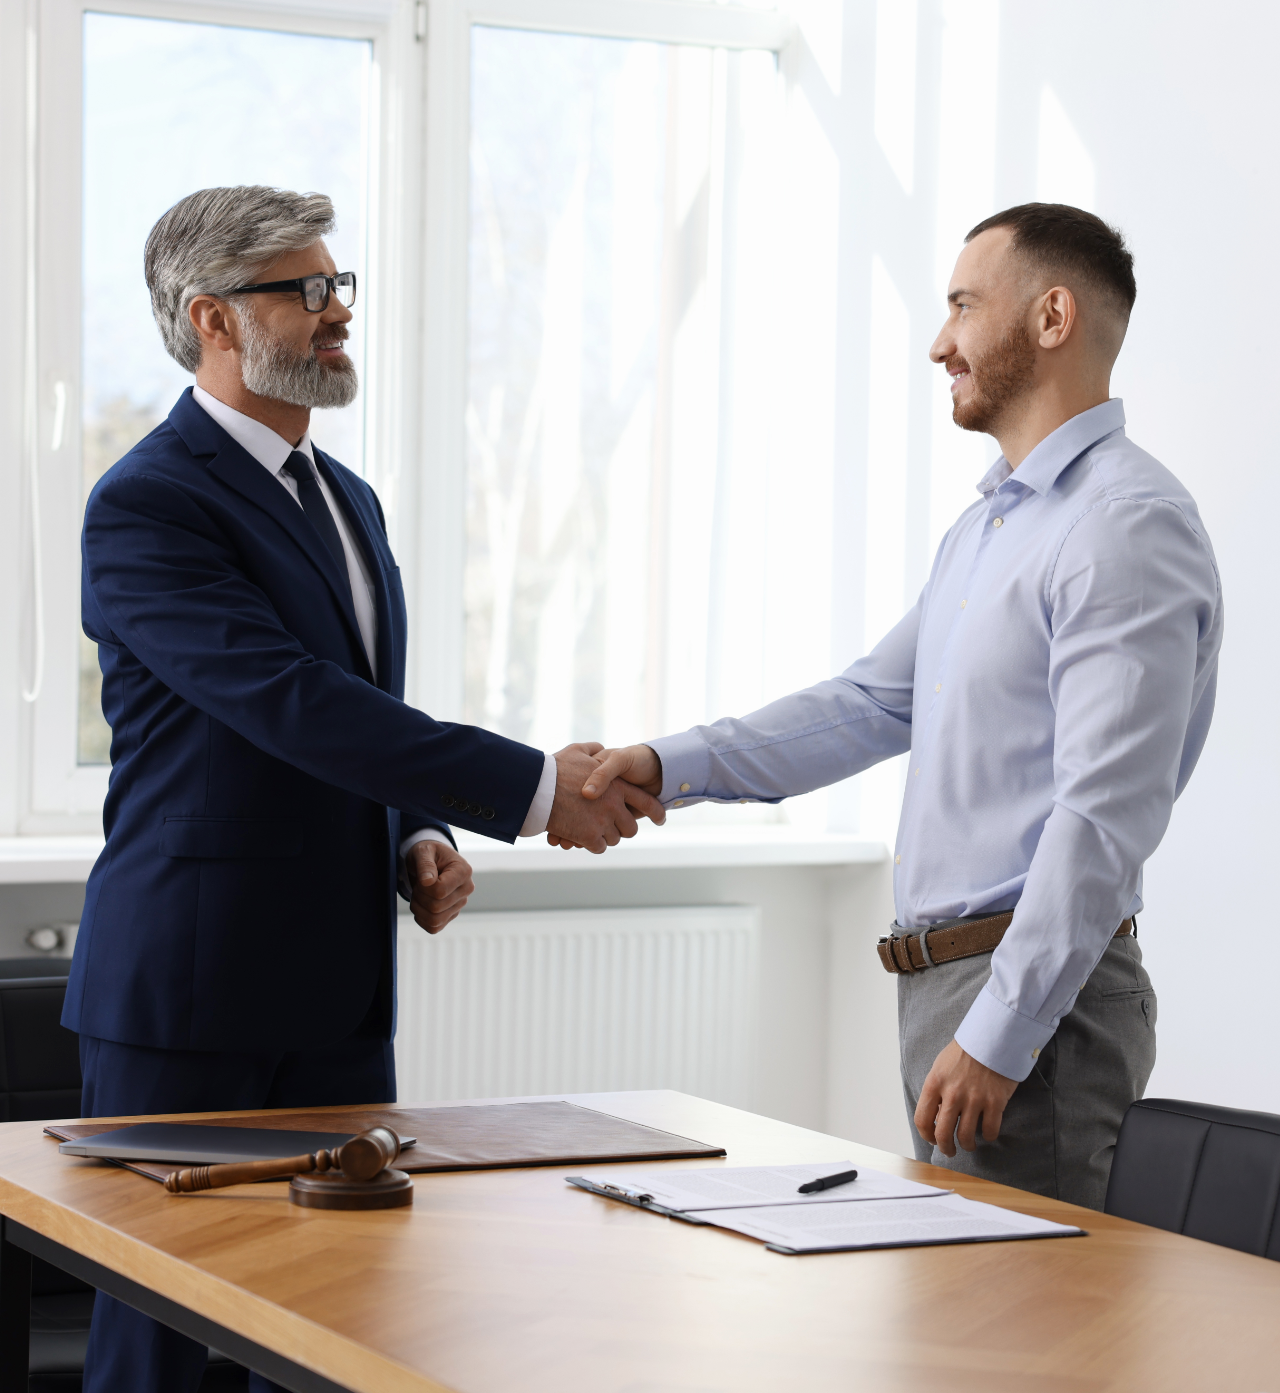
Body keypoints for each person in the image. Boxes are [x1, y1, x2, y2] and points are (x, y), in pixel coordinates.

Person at [69, 184, 662, 1393]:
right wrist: (537, 788)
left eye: (340, 284)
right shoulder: (146, 505)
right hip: (188, 999)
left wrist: (415, 828)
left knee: (332, 1317)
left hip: (339, 999)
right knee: (167, 1344)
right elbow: (285, 699)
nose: (337, 312)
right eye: (306, 289)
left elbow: (346, 723)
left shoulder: (349, 498)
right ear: (214, 320)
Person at [578, 203, 1223, 1211]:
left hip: (1028, 1002)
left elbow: (1102, 817)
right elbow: (870, 703)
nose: (939, 343)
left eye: (963, 305)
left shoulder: (1122, 526)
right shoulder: (992, 528)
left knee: (1021, 1348)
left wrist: (1000, 1032)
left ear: (1050, 317)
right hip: (947, 990)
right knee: (960, 1329)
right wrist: (667, 765)